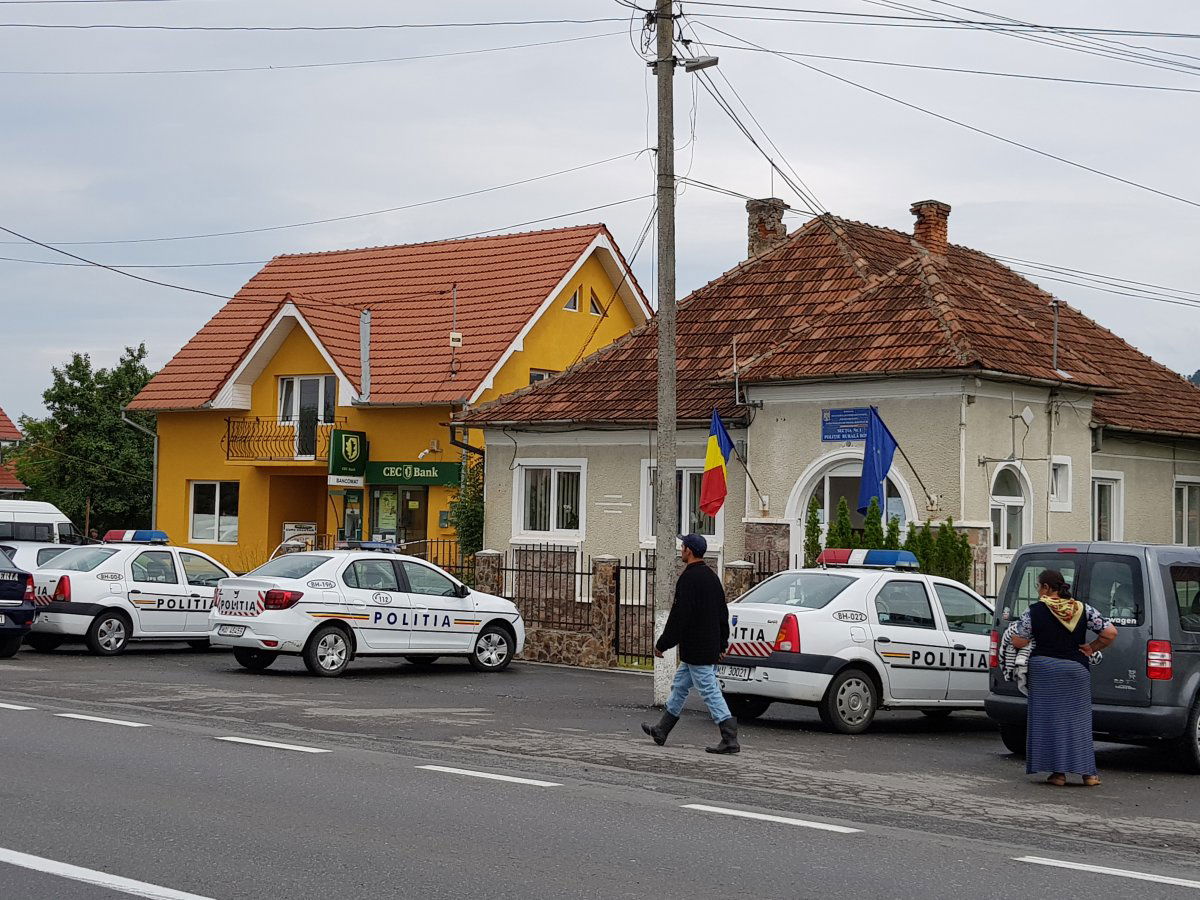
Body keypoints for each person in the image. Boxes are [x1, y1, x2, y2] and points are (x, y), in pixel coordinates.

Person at [1011, 568, 1117, 786]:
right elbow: (1110, 633)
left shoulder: (1034, 611)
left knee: (1050, 722)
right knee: (1078, 722)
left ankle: (1058, 774)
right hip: (1075, 670)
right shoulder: (1082, 609)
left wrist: (1027, 637)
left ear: (1047, 588)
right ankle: (1089, 775)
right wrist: (1091, 647)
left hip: (1045, 670)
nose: (1039, 591)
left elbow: (1018, 641)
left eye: (1039, 586)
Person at [640, 533, 739, 754]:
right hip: (706, 647)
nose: (680, 549)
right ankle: (662, 730)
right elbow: (722, 614)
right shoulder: (712, 578)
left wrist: (663, 644)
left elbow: (679, 616)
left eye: (683, 546)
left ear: (689, 551)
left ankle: (729, 738)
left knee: (709, 691)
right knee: (680, 686)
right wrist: (722, 644)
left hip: (697, 648)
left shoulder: (689, 578)